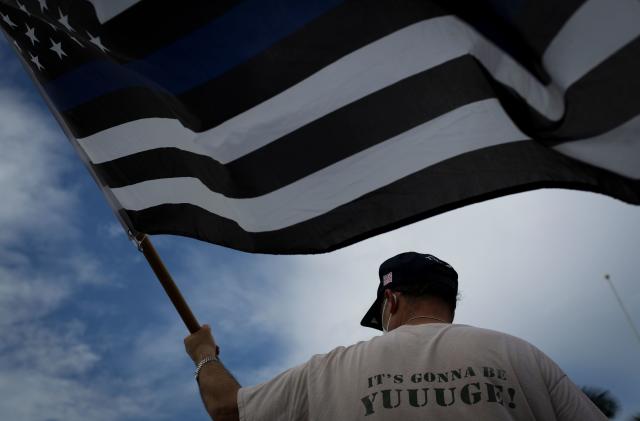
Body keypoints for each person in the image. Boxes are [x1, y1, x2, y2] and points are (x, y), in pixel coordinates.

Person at [184, 252, 606, 421]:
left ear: (392, 299)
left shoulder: (330, 370)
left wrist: (204, 354)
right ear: (450, 304)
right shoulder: (521, 355)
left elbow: (227, 409)